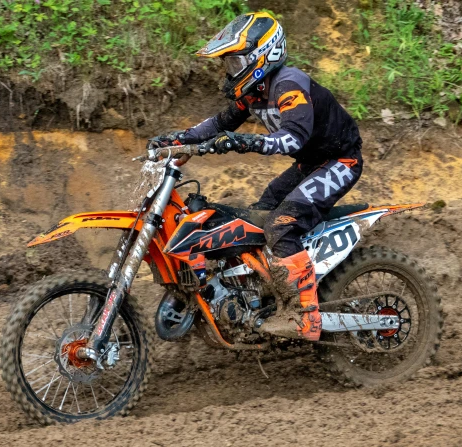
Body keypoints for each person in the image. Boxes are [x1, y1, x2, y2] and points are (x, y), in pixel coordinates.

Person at [147, 12, 363, 342]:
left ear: (264, 55)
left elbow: (294, 137)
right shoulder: (255, 92)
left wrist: (246, 141)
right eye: (227, 65)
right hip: (311, 163)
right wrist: (177, 139)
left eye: (235, 63)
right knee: (259, 216)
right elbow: (218, 124)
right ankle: (265, 296)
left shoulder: (288, 85)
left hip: (340, 161)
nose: (230, 72)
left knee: (280, 224)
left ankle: (307, 315)